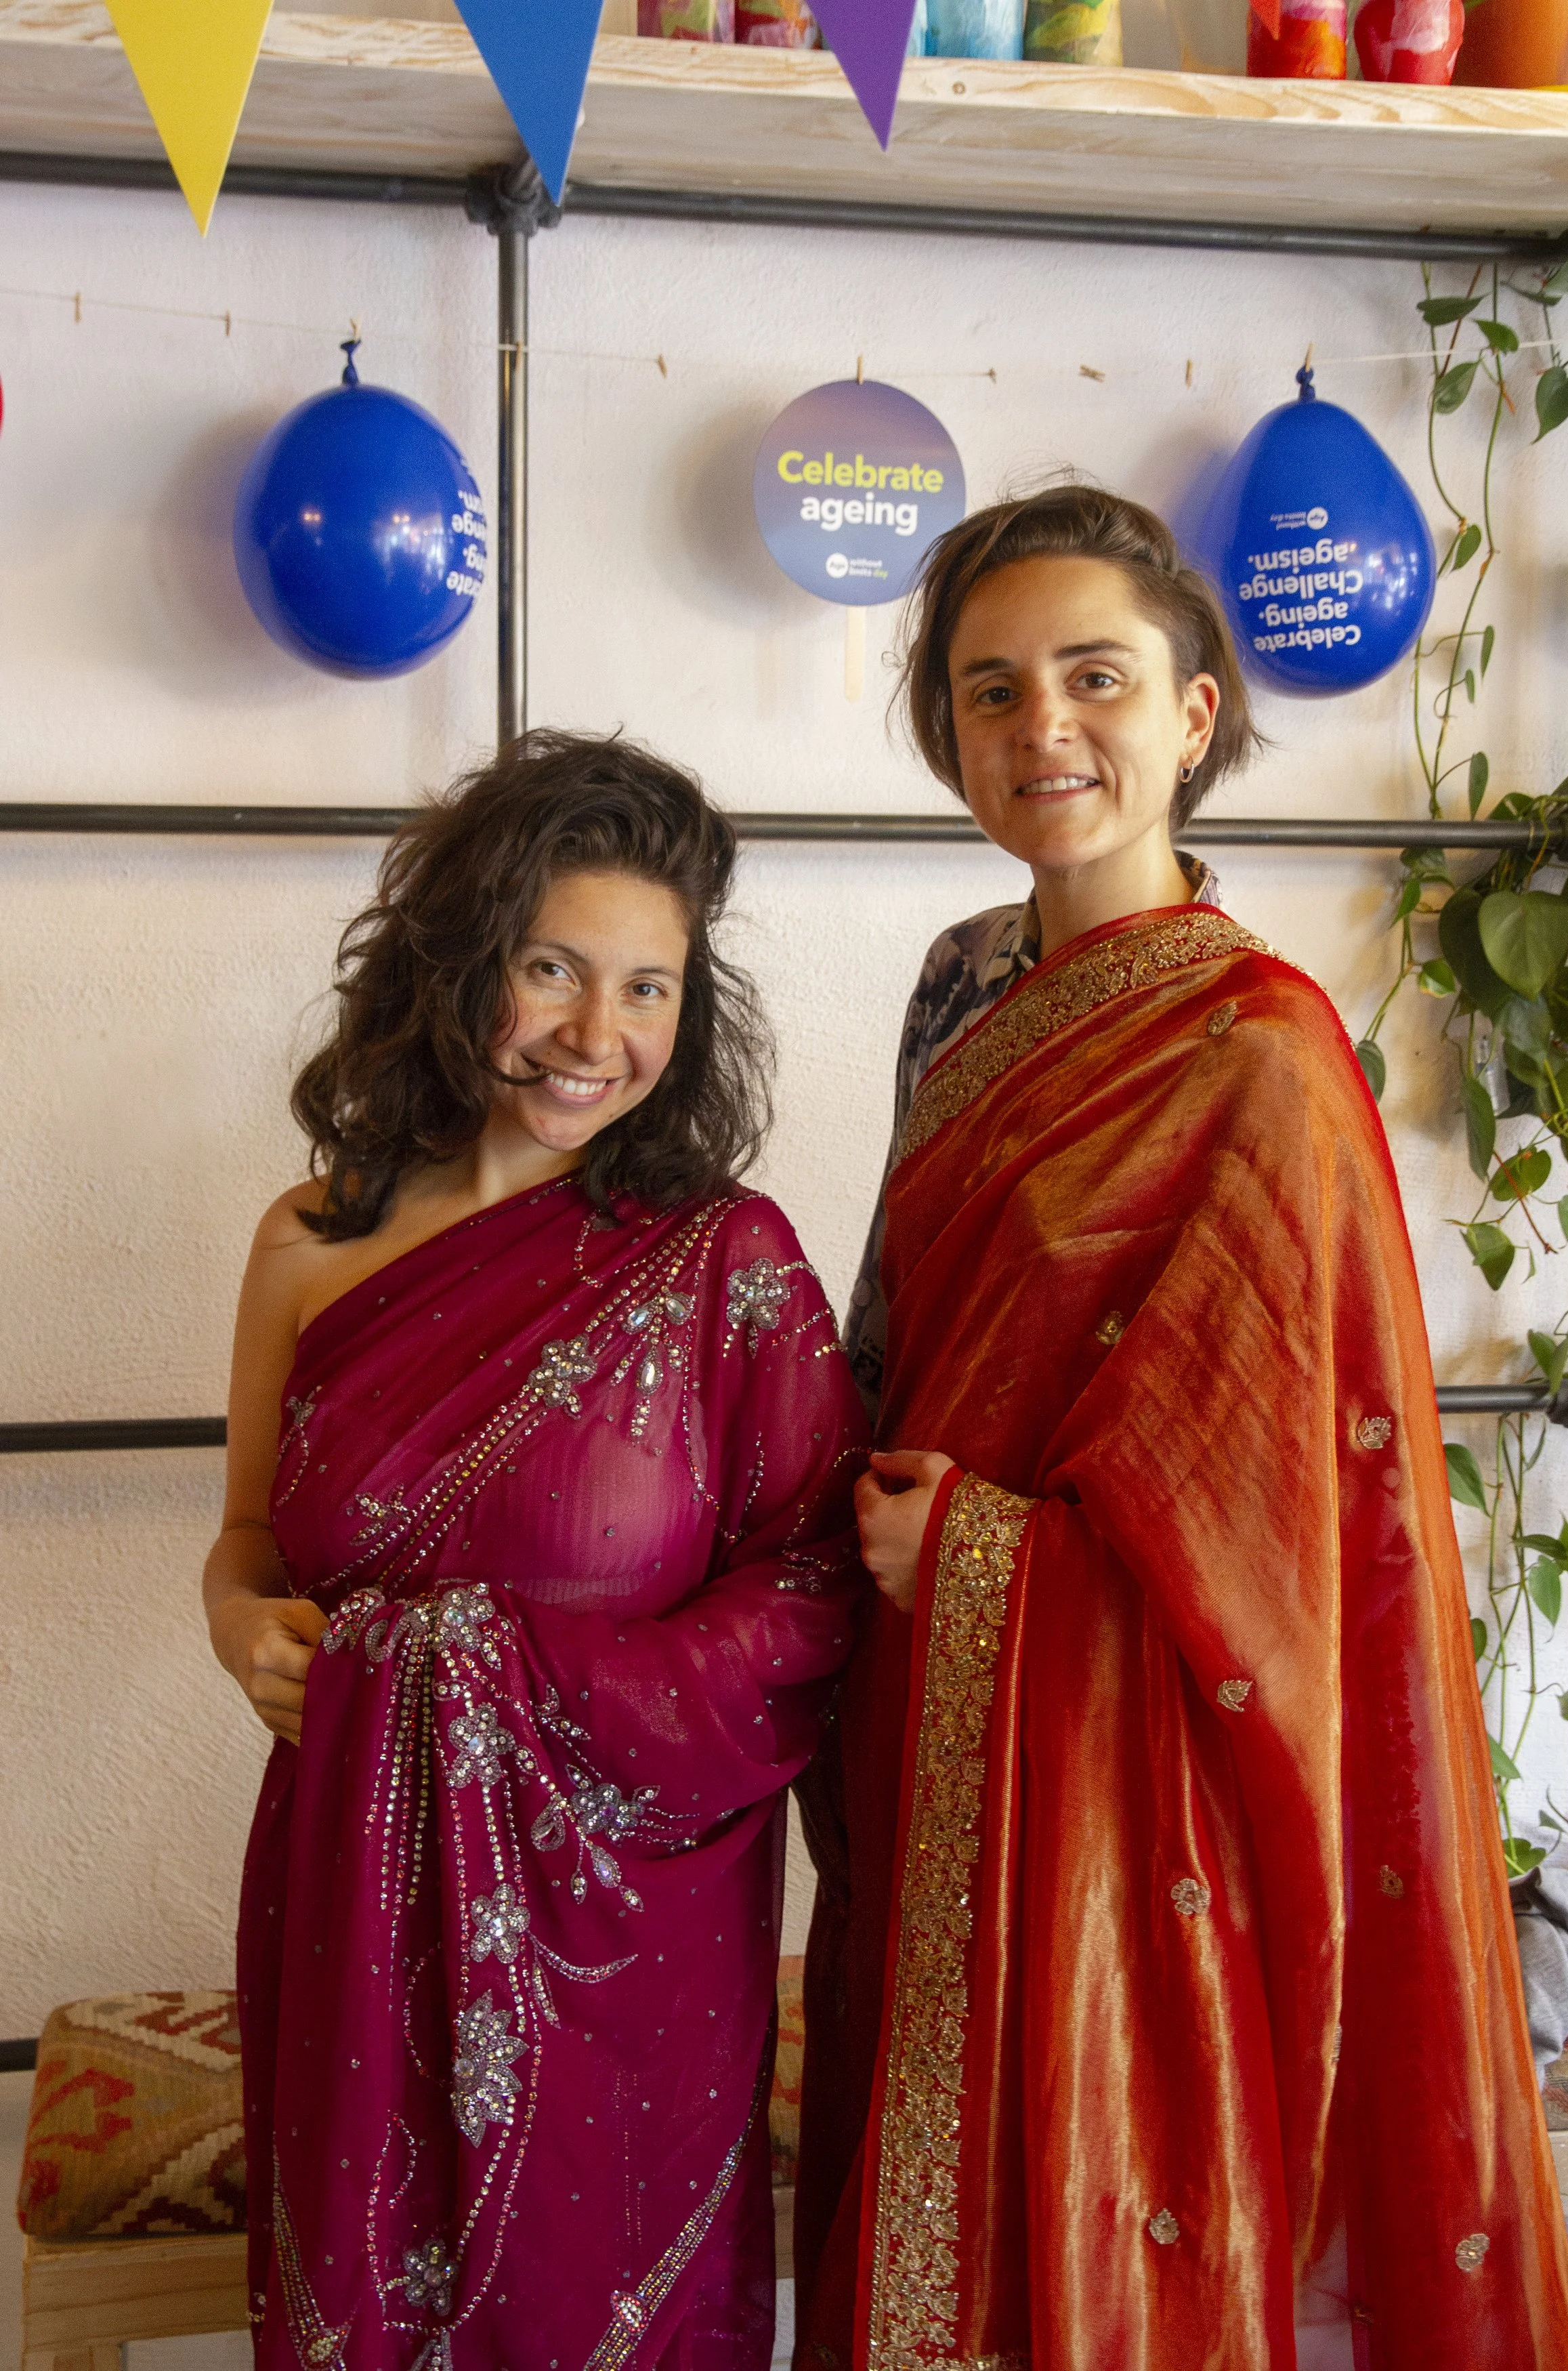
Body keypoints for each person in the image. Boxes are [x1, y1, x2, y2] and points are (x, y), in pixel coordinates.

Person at [792, 486, 1568, 2370]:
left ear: (1194, 711)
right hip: (925, 1694)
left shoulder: (1263, 1045)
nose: (1038, 730)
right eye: (988, 693)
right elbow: (891, 1329)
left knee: (1101, 2198)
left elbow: (1277, 1501)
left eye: (1093, 677)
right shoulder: (955, 986)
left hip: (1127, 1730)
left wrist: (983, 1553)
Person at [203, 731, 868, 2371]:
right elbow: (241, 1538)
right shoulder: (311, 1240)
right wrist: (238, 1628)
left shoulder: (725, 1264)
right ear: (459, 961)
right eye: (553, 967)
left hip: (631, 1942)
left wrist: (508, 1677)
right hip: (349, 1895)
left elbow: (810, 1588)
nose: (598, 1034)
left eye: (650, 988)